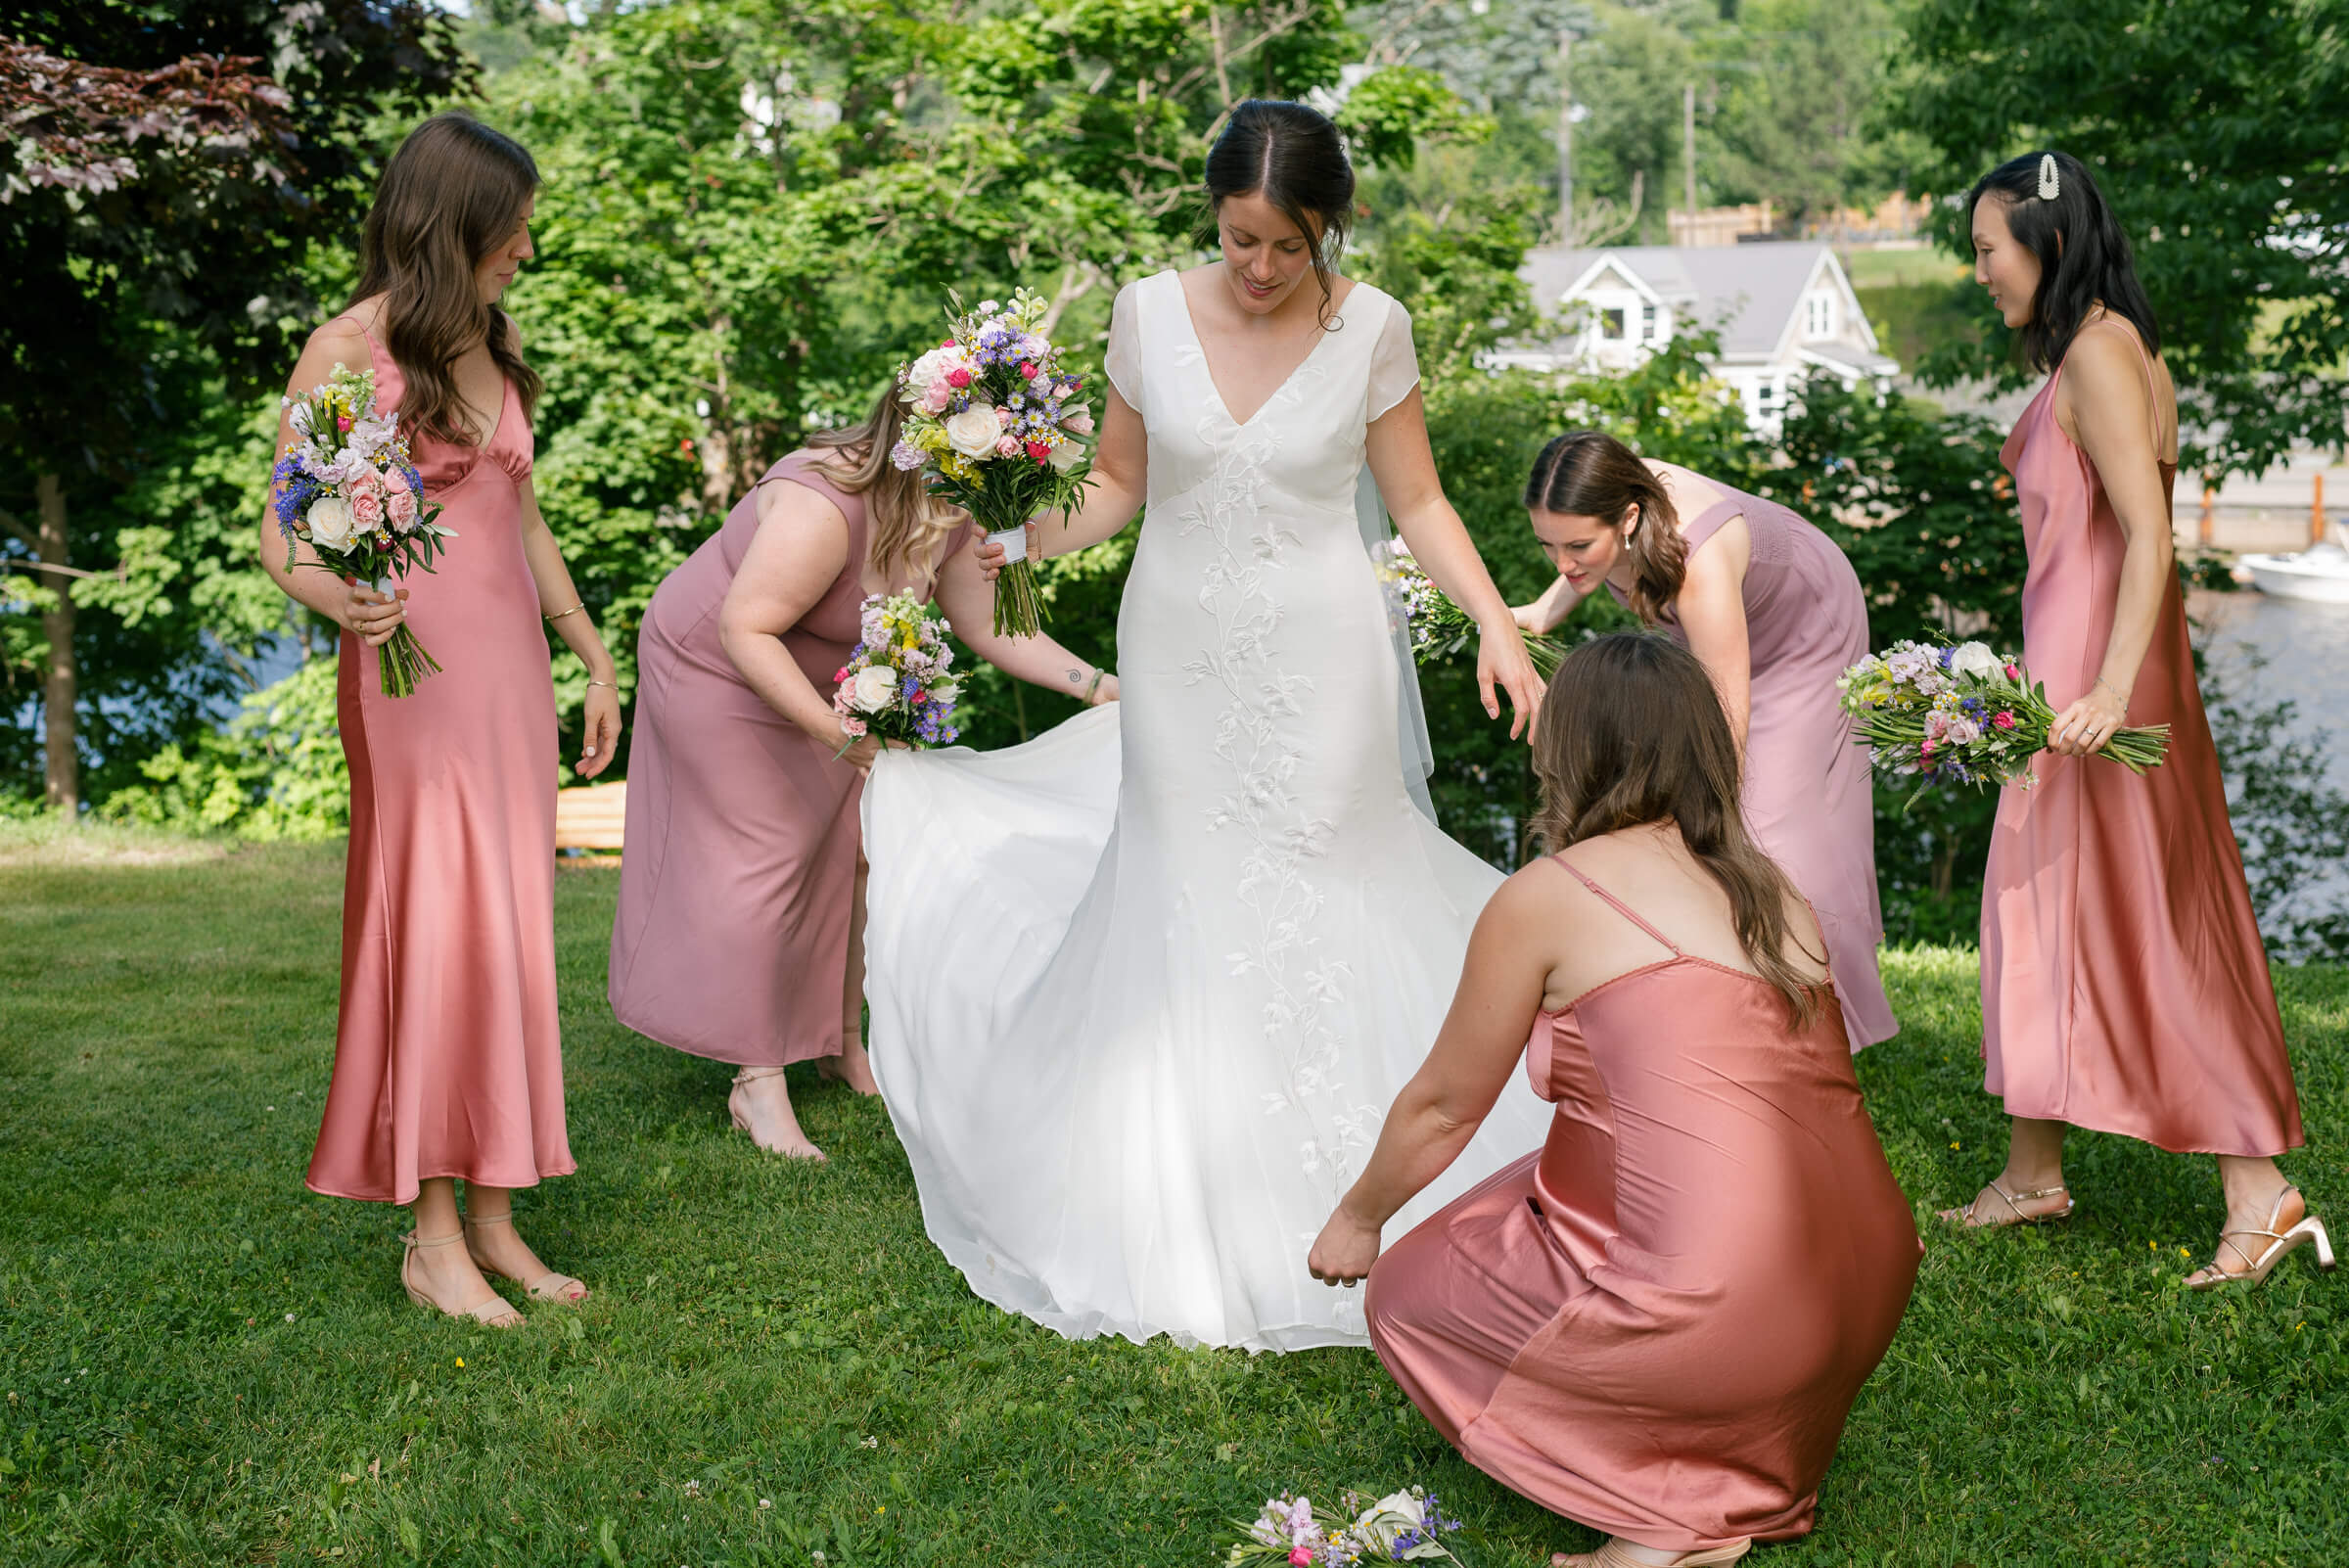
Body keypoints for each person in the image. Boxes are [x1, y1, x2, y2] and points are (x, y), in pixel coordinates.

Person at [856, 99, 1551, 1352]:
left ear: (1329, 228)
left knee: (1337, 873)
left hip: (1324, 656)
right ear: (1214, 217)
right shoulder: (1144, 311)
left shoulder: (1376, 328)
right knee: (1188, 883)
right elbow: (1121, 482)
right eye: (1243, 240)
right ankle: (1193, 1191)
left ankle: (1376, 1165)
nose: (1265, 269)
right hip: (1176, 649)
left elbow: (1422, 501)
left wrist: (1499, 623)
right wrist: (1012, 524)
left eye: (1293, 244)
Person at [1309, 632, 1919, 1568]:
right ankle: (1716, 1481)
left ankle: (1664, 1511)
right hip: (1865, 1285)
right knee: (1578, 1172)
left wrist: (1357, 1220)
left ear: (1574, 749)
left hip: (1714, 1307)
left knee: (1410, 1289)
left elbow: (1443, 1106)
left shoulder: (1550, 892)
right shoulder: (1774, 890)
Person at [263, 114, 615, 1325]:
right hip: (409, 683)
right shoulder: (347, 348)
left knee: (509, 927)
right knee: (436, 929)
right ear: (451, 221)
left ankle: (500, 1214)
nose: (525, 241)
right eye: (509, 221)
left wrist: (588, 649)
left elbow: (518, 515)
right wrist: (340, 599)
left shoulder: (495, 337)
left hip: (510, 677)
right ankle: (429, 1235)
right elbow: (283, 537)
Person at [1953, 151, 2325, 1287]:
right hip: (2083, 669)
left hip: (2100, 676)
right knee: (2046, 908)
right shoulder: (2103, 347)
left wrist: (2108, 692)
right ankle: (2032, 1168)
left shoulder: (2103, 355)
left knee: (2149, 925)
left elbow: (2150, 538)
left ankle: (2260, 1193)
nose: (1979, 273)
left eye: (1988, 250)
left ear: (2048, 245)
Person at [607, 389, 1118, 1161]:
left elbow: (983, 625)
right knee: (768, 848)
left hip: (825, 682)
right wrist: (842, 739)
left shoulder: (949, 506)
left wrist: (1099, 686)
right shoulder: (824, 505)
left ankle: (842, 1042)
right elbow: (744, 627)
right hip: (716, 666)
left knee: (856, 849)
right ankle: (758, 1079)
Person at [1512, 433, 1894, 1050]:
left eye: (1578, 545)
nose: (1563, 562)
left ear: (1630, 517)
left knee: (1772, 829)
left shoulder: (1694, 560)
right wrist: (1547, 608)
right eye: (1547, 546)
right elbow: (1580, 559)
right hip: (1725, 640)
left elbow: (1724, 716)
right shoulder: (1610, 505)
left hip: (1803, 638)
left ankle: (1816, 1022)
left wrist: (1704, 821)